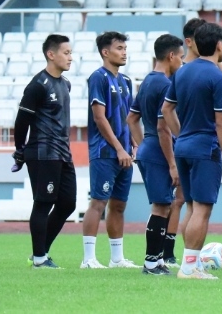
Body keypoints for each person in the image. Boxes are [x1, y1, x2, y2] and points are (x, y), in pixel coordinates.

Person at [159, 18, 222, 266]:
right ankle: (190, 267)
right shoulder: (217, 78)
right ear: (218, 45)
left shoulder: (182, 72)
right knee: (202, 209)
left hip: (183, 147)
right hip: (206, 148)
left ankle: (189, 263)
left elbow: (167, 109)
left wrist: (182, 134)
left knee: (192, 207)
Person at [14, 34, 75, 269]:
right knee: (43, 203)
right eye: (66, 53)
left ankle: (41, 251)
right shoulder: (37, 85)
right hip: (42, 152)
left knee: (68, 203)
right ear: (51, 54)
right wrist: (20, 150)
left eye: (71, 53)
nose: (71, 58)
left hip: (62, 152)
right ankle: (40, 258)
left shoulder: (65, 83)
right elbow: (21, 122)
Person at [126, 34, 185, 275]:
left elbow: (132, 118)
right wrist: (172, 164)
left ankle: (157, 259)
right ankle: (151, 262)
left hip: (150, 147)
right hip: (160, 150)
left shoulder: (147, 81)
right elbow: (163, 127)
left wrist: (142, 146)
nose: (181, 62)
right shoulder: (166, 85)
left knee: (164, 206)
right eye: (180, 57)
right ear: (171, 56)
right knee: (161, 207)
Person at [81, 32, 138, 269]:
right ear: (106, 52)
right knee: (99, 202)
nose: (124, 52)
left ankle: (116, 259)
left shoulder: (126, 81)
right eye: (119, 48)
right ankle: (88, 259)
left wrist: (133, 143)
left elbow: (129, 116)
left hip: (125, 152)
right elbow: (99, 117)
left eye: (125, 48)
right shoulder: (98, 78)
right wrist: (118, 148)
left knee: (119, 205)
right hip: (105, 151)